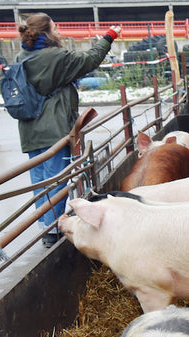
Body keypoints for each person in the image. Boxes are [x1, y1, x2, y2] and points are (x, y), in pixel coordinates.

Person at [14, 13, 120, 247]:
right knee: (58, 180)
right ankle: (54, 231)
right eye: (55, 27)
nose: (59, 30)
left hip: (30, 129)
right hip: (53, 128)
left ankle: (45, 226)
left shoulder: (22, 55)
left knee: (40, 181)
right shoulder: (56, 56)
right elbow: (90, 60)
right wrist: (109, 36)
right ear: (47, 31)